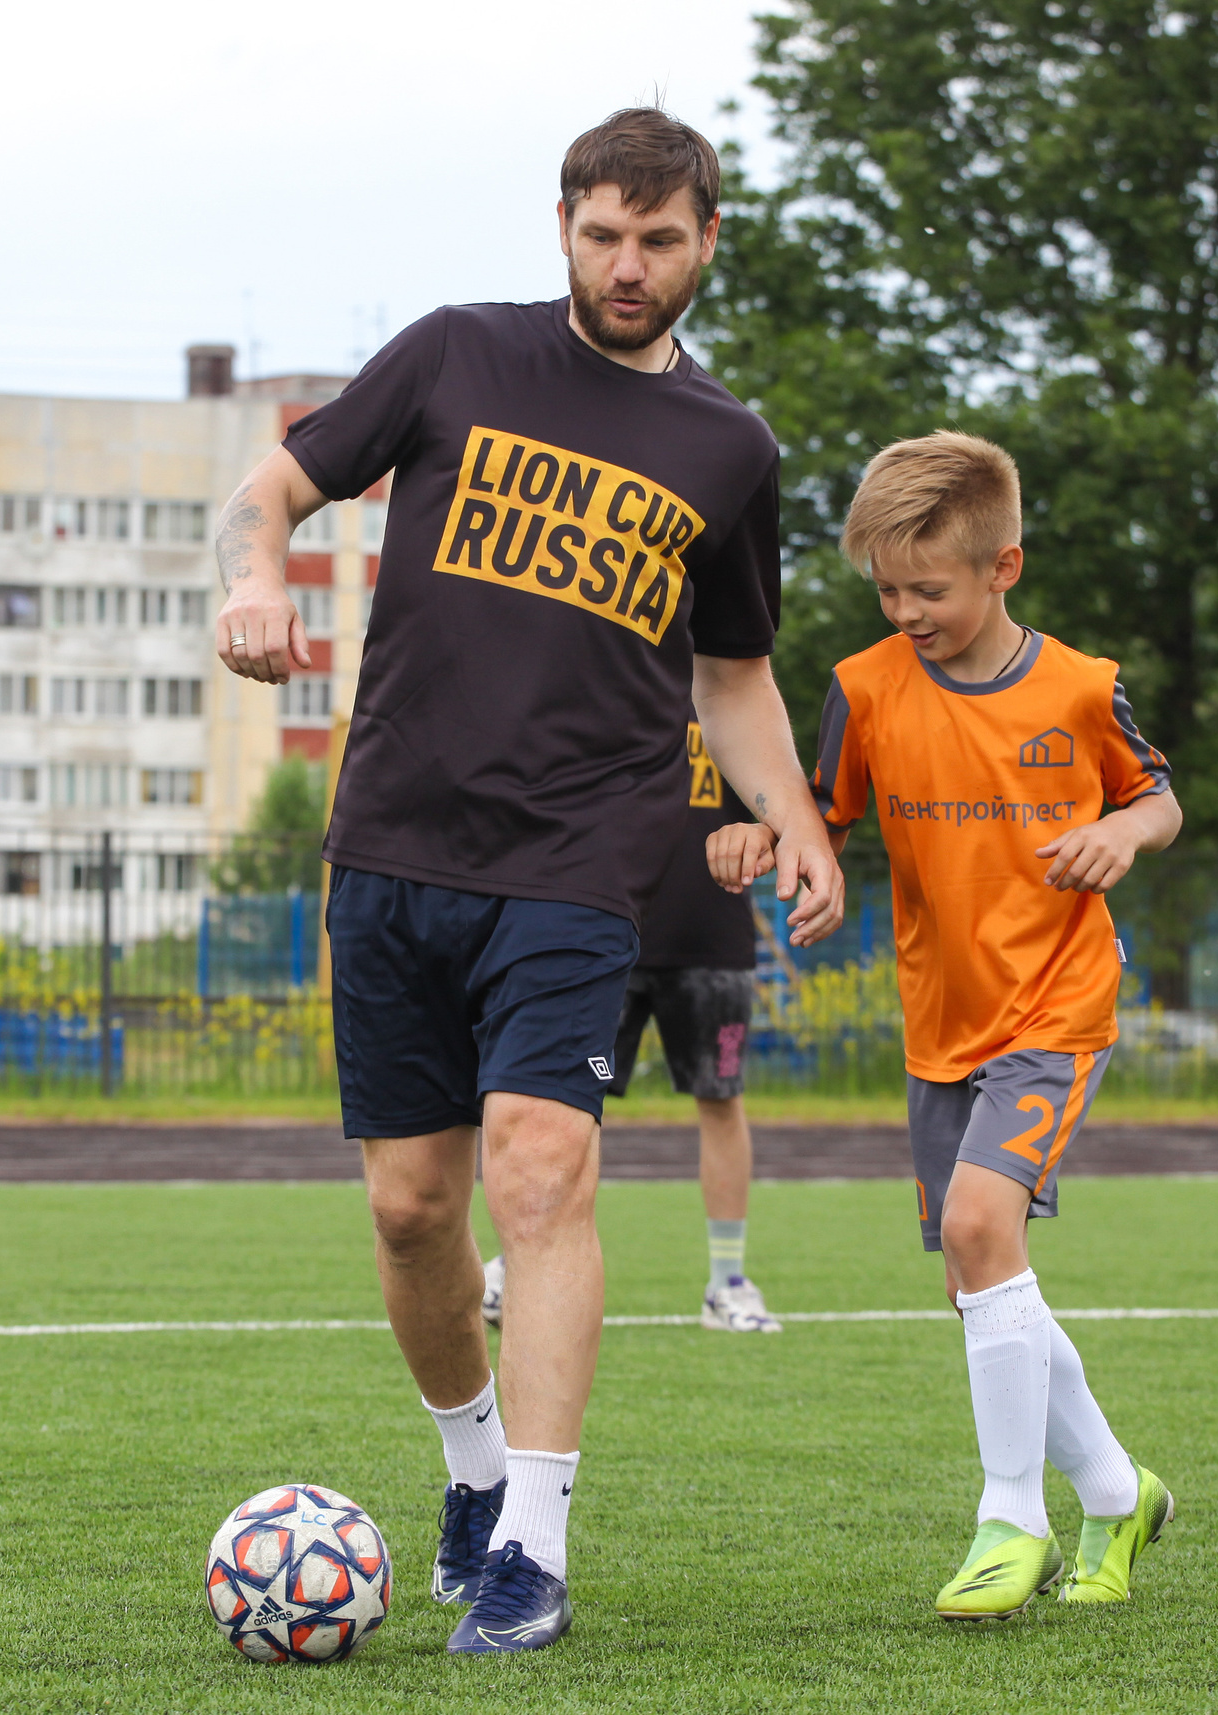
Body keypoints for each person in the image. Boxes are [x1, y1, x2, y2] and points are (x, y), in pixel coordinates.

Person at [210, 108, 843, 1655]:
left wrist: (801, 817)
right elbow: (271, 488)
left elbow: (736, 672)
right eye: (603, 234)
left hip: (576, 863)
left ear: (707, 239)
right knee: (414, 1208)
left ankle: (537, 1549)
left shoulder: (729, 448)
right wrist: (251, 576)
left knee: (540, 1171)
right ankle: (475, 1473)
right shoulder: (452, 355)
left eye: (661, 239)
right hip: (392, 846)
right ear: (563, 222)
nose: (629, 267)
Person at [709, 431, 1183, 1621]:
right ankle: (1119, 1490)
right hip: (941, 1023)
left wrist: (1122, 836)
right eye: (887, 589)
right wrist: (764, 837)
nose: (907, 610)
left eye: (931, 588)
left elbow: (1157, 795)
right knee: (982, 1279)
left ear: (1003, 567)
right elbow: (815, 810)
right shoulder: (864, 687)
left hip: (1059, 1006)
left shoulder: (1080, 685)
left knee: (981, 1225)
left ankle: (1009, 1516)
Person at [482, 718, 782, 1334]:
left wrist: (766, 831)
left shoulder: (733, 686)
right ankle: (518, 1265)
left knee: (721, 1102)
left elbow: (780, 800)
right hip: (600, 925)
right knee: (559, 1104)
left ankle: (727, 1280)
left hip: (710, 932)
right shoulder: (612, 669)